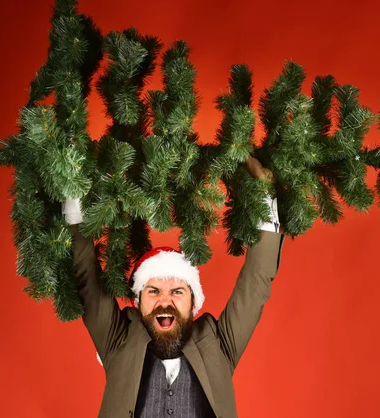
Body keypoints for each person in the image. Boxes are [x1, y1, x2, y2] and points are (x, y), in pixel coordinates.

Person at [62, 156, 284, 418]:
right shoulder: (117, 341)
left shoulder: (218, 344)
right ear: (138, 300)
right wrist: (71, 184)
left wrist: (264, 193)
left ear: (193, 302)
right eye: (153, 291)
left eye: (177, 292)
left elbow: (255, 283)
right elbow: (87, 279)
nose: (164, 301)